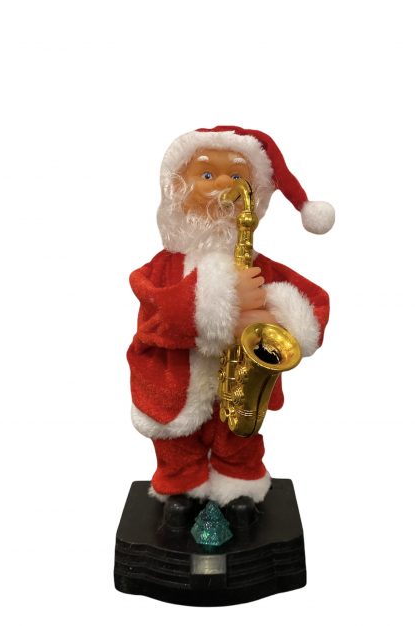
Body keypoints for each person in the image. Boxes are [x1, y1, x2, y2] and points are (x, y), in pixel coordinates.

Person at [127, 126, 334, 524]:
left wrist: (269, 317)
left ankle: (238, 482)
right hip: (173, 383)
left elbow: (315, 302)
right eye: (207, 174)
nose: (225, 184)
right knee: (177, 443)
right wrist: (220, 301)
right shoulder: (161, 268)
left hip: (239, 387)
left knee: (238, 439)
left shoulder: (258, 264)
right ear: (178, 189)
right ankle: (181, 485)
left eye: (238, 175)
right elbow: (157, 315)